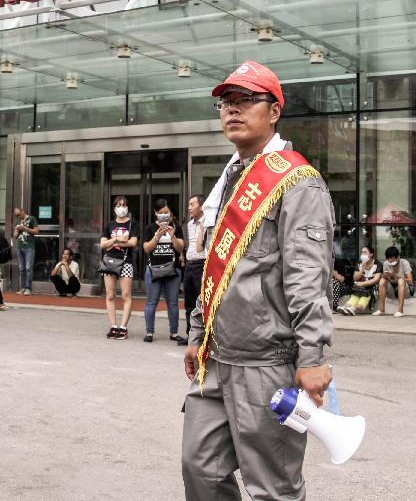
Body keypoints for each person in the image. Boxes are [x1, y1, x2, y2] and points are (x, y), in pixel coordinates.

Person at [182, 61, 334, 501]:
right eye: (226, 102)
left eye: (247, 99)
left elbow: (308, 277)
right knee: (201, 468)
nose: (232, 109)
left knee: (273, 486)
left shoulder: (298, 182)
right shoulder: (232, 176)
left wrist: (313, 356)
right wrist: (197, 332)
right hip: (218, 355)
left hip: (268, 361)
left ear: (274, 111)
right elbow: (217, 267)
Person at [142, 199, 184, 343]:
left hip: (173, 270)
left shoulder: (176, 227)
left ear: (170, 212)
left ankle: (174, 332)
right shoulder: (149, 228)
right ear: (155, 213)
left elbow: (180, 248)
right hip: (154, 269)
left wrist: (172, 236)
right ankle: (149, 332)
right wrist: (157, 236)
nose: (164, 215)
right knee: (151, 302)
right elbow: (146, 248)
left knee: (172, 303)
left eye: (166, 212)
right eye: (160, 213)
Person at [100, 196, 139, 340]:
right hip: (109, 261)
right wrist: (117, 240)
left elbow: (133, 243)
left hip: (125, 262)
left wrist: (112, 242)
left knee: (126, 295)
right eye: (118, 205)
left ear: (127, 207)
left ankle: (123, 327)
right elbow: (103, 244)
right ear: (114, 208)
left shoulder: (133, 224)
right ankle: (113, 326)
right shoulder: (109, 225)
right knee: (110, 295)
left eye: (123, 205)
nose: (121, 208)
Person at [180, 194, 206, 346]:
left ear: (201, 206)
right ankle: (190, 336)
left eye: (192, 204)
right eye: (188, 205)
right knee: (189, 303)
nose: (189, 208)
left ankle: (203, 337)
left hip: (201, 264)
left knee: (201, 301)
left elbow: (201, 246)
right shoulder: (189, 224)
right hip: (189, 265)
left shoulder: (208, 222)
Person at [338, 245, 381, 316]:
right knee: (354, 298)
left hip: (371, 288)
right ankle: (345, 307)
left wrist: (363, 283)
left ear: (371, 254)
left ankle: (353, 309)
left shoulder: (378, 264)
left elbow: (376, 279)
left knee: (363, 300)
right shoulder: (359, 264)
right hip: (359, 288)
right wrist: (362, 269)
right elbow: (355, 278)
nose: (363, 254)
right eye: (362, 253)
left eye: (365, 252)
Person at [375, 246, 413, 317]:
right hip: (392, 289)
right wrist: (386, 276)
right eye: (388, 259)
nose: (390, 261)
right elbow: (387, 279)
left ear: (398, 256)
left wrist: (395, 275)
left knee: (401, 280)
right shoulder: (386, 263)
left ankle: (400, 310)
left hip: (404, 289)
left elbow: (410, 281)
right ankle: (381, 309)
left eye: (392, 259)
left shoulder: (404, 263)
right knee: (382, 280)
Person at [13, 207, 39, 295]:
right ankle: (23, 287)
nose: (18, 216)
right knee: (21, 268)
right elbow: (15, 236)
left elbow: (36, 231)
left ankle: (28, 288)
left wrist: (24, 228)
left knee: (28, 268)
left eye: (19, 214)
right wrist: (17, 230)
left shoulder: (31, 219)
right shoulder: (18, 222)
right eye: (17, 215)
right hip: (19, 246)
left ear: (23, 211)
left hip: (29, 247)